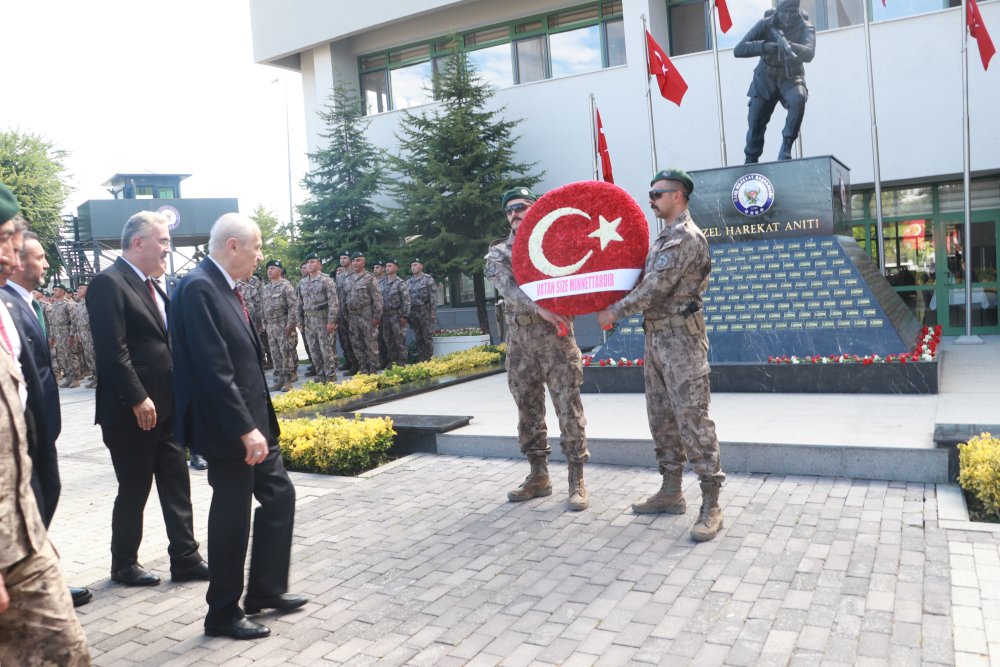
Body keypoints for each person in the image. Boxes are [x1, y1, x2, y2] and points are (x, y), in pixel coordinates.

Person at [171, 213, 305, 640]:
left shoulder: (224, 287)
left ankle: (264, 589)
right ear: (233, 246)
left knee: (279, 495)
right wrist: (245, 428)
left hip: (253, 422)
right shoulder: (198, 288)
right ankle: (222, 612)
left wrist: (258, 424)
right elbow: (214, 369)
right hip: (230, 428)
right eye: (257, 247)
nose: (261, 255)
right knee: (232, 516)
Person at [597, 169, 725, 542]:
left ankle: (711, 503)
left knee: (693, 421)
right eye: (650, 192)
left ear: (678, 196)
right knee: (662, 420)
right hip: (657, 341)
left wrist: (614, 311)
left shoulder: (686, 238)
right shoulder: (662, 239)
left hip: (682, 344)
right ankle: (671, 491)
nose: (650, 199)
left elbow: (654, 289)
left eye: (657, 193)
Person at [87, 211, 209, 586]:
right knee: (135, 487)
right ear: (138, 242)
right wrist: (138, 398)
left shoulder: (154, 285)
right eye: (163, 241)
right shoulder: (109, 283)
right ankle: (124, 563)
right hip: (130, 411)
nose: (168, 250)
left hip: (168, 405)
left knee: (176, 482)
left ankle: (185, 557)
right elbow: (113, 351)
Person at [0, 185, 91, 665]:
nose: (15, 258)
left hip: (33, 459)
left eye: (15, 243)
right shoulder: (9, 303)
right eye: (9, 246)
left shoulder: (18, 305)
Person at [485, 187, 590, 511]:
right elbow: (509, 289)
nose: (515, 214)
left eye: (522, 207)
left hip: (556, 338)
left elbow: (581, 276)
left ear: (536, 211)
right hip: (521, 342)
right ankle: (538, 475)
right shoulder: (498, 254)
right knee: (528, 410)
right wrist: (540, 307)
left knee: (567, 408)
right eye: (509, 210)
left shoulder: (557, 246)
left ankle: (577, 479)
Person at [734, 0, 815, 163]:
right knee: (755, 122)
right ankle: (751, 159)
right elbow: (739, 49)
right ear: (778, 11)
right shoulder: (766, 24)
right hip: (765, 78)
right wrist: (764, 46)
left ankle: (786, 145)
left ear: (797, 11)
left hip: (791, 76)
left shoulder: (805, 26)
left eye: (792, 12)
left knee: (798, 98)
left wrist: (791, 46)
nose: (787, 16)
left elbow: (810, 52)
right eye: (784, 12)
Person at [297, 252, 339, 383]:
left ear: (319, 264)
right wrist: (299, 320)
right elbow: (299, 303)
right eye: (308, 262)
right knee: (314, 351)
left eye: (312, 262)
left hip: (323, 320)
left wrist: (331, 320)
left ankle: (330, 376)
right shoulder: (302, 283)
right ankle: (321, 376)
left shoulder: (326, 280)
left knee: (326, 350)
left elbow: (333, 302)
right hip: (309, 321)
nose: (309, 265)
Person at [261, 259, 299, 392]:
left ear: (280, 271)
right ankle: (279, 380)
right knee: (275, 354)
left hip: (283, 324)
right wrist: (264, 323)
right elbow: (263, 307)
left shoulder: (286, 286)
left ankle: (288, 380)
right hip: (270, 326)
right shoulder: (266, 288)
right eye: (268, 269)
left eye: (272, 268)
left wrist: (290, 324)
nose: (269, 271)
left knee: (286, 352)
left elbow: (293, 307)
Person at [344, 251, 383, 375]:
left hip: (366, 314)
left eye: (358, 260)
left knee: (370, 343)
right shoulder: (348, 279)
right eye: (354, 261)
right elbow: (345, 298)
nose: (355, 263)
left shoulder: (370, 278)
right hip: (353, 315)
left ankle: (373, 369)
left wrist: (376, 317)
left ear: (364, 262)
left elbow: (377, 299)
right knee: (356, 343)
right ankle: (363, 368)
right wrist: (346, 316)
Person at [49, 282, 80, 388]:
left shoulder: (68, 304)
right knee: (62, 356)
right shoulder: (54, 305)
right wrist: (52, 337)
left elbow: (74, 320)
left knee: (71, 355)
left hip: (66, 332)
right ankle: (69, 378)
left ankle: (75, 379)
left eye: (56, 290)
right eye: (54, 290)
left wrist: (71, 335)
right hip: (57, 334)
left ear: (62, 292)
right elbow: (52, 322)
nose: (54, 291)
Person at [380, 259, 411, 367]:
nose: (387, 268)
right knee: (388, 340)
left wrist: (405, 316)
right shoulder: (382, 283)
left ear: (396, 268)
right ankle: (392, 361)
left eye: (390, 266)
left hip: (396, 315)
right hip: (385, 316)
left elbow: (406, 300)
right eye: (386, 266)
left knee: (399, 339)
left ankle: (402, 362)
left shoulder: (400, 283)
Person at [407, 258, 437, 362]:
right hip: (413, 312)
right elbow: (406, 299)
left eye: (415, 265)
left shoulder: (428, 279)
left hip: (424, 311)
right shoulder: (408, 282)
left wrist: (433, 313)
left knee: (427, 336)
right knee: (418, 337)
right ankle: (421, 358)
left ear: (421, 266)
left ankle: (428, 358)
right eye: (412, 265)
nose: (413, 267)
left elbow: (433, 297)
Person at [70, 282, 97, 388]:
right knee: (89, 357)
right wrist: (73, 334)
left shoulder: (94, 302)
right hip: (83, 335)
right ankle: (95, 377)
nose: (78, 291)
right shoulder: (79, 305)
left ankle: (101, 378)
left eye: (81, 288)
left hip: (92, 334)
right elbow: (75, 321)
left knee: (95, 356)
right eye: (78, 289)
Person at [333, 251, 357, 373]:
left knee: (356, 339)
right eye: (341, 258)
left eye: (345, 258)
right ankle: (350, 361)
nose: (342, 260)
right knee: (344, 339)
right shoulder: (340, 276)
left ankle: (359, 364)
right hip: (341, 312)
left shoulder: (356, 274)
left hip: (353, 312)